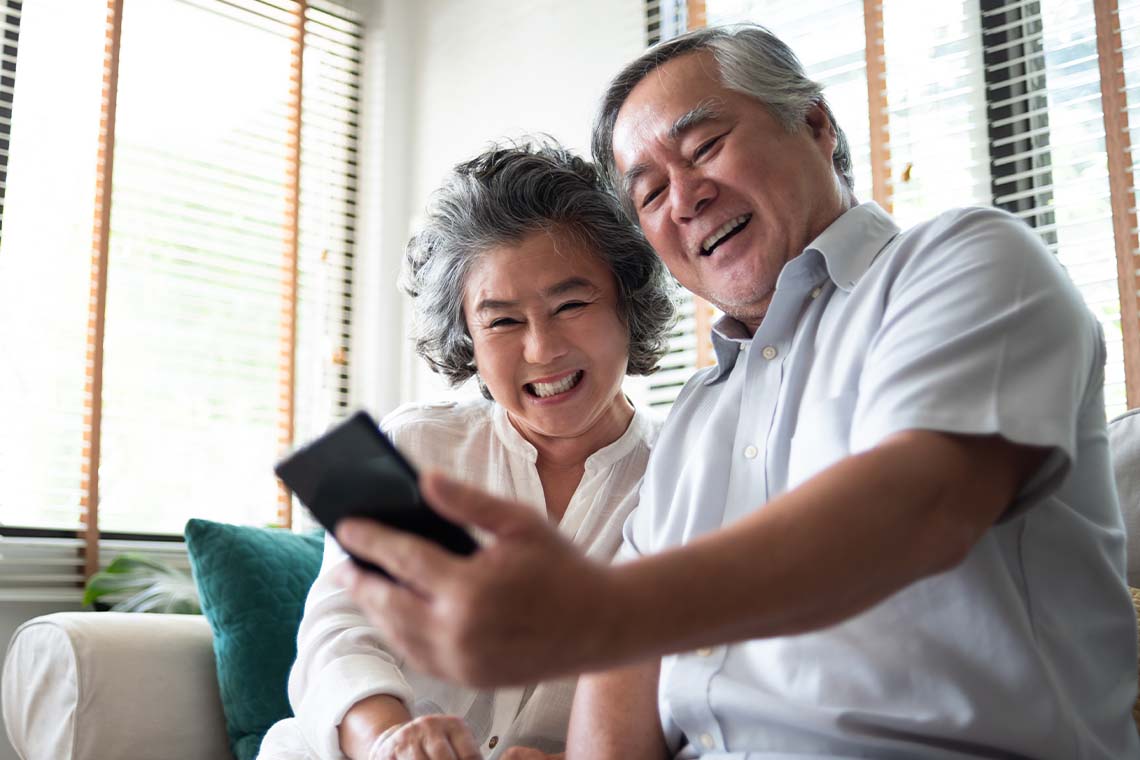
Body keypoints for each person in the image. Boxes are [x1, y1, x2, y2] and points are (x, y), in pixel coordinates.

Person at [334, 24, 1140, 760]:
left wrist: (592, 610)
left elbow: (919, 506)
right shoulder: (696, 416)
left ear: (817, 126)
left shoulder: (962, 262)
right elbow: (613, 682)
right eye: (649, 191)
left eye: (706, 146)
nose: (683, 199)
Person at [256, 140, 676, 760]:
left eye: (571, 305)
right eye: (502, 321)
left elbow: (700, 688)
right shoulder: (407, 442)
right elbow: (340, 633)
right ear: (467, 338)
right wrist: (392, 741)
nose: (541, 349)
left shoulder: (686, 469)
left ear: (627, 305)